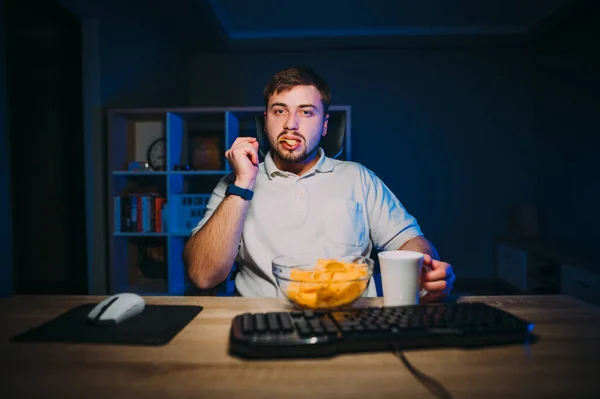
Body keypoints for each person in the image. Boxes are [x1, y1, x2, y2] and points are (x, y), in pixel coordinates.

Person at [183, 66, 455, 300]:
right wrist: (243, 184)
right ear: (265, 122)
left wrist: (426, 270)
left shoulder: (359, 178)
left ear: (325, 125)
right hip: (263, 320)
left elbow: (409, 241)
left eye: (306, 112)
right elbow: (202, 276)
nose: (291, 124)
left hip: (351, 319)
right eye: (280, 111)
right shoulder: (234, 184)